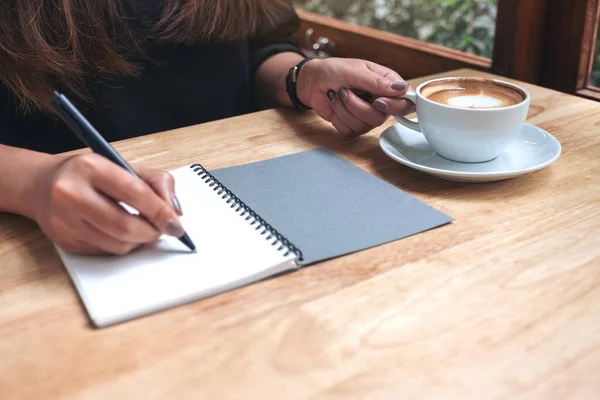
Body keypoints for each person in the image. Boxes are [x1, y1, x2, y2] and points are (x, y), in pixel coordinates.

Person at [0, 0, 413, 255]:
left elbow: (257, 46)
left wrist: (301, 77)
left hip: (255, 180)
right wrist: (32, 183)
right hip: (56, 234)